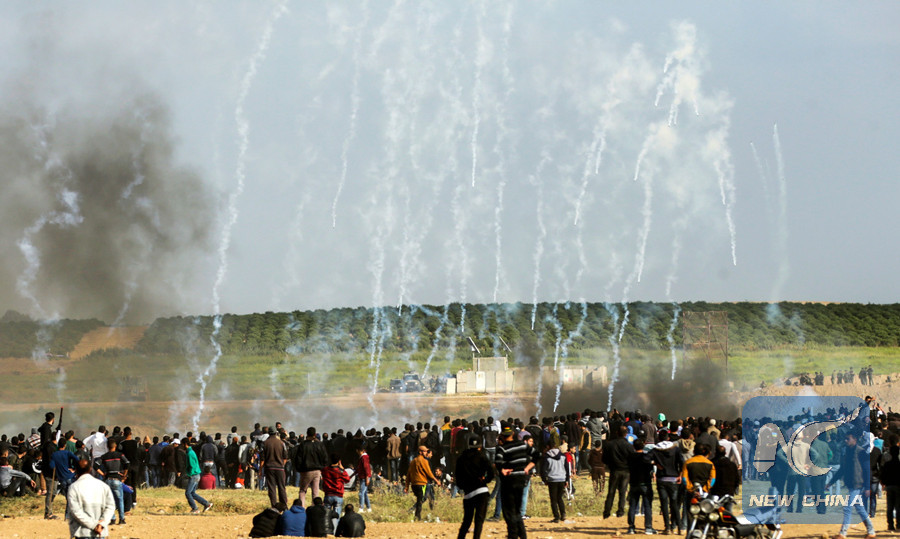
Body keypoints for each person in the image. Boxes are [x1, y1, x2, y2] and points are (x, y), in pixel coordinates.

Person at [827, 431, 876, 539]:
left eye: (848, 439)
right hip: (851, 484)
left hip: (858, 485)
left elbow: (867, 470)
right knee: (860, 509)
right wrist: (831, 483)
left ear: (855, 439)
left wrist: (867, 487)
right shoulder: (847, 452)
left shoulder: (861, 452)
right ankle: (871, 531)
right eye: (845, 439)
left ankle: (843, 533)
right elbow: (842, 470)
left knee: (847, 507)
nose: (846, 441)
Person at [495, 427, 536, 539]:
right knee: (517, 511)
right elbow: (537, 455)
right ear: (513, 434)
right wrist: (527, 468)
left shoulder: (502, 448)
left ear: (502, 436)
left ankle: (513, 535)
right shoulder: (522, 446)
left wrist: (502, 470)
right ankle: (522, 535)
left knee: (509, 512)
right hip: (521, 480)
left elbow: (498, 462)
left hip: (508, 482)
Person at [455, 436, 494, 539]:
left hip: (468, 493)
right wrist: (485, 480)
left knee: (467, 521)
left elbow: (457, 478)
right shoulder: (482, 456)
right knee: (479, 521)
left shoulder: (461, 458)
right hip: (481, 490)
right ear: (480, 446)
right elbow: (491, 472)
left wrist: (464, 487)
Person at [66, 458, 115, 538]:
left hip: (82, 532)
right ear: (90, 469)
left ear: (76, 470)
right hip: (100, 532)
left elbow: (75, 511)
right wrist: (101, 524)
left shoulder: (74, 487)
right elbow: (110, 507)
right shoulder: (103, 486)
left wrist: (93, 525)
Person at [651, 430, 684, 535]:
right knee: (674, 504)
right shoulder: (675, 449)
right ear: (668, 438)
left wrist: (655, 463)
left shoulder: (656, 449)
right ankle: (680, 528)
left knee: (664, 504)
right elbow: (682, 463)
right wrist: (680, 475)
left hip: (661, 479)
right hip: (673, 479)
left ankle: (668, 528)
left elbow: (645, 459)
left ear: (659, 438)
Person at [603, 426, 635, 519]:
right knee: (623, 492)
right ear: (626, 434)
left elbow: (604, 459)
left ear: (617, 433)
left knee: (611, 491)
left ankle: (607, 512)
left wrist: (610, 465)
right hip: (626, 471)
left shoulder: (610, 444)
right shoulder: (629, 446)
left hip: (614, 470)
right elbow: (632, 459)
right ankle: (620, 511)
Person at [626, 439, 656, 535]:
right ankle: (648, 527)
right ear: (643, 446)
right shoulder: (646, 457)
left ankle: (631, 527)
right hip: (645, 483)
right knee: (647, 506)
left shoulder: (630, 457)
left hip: (633, 483)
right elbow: (650, 469)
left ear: (633, 447)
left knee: (632, 506)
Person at [97, 439, 129, 525]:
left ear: (107, 447)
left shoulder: (104, 456)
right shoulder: (120, 455)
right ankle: (121, 519)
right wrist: (124, 475)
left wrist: (103, 474)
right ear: (115, 446)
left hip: (107, 480)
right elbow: (127, 463)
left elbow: (95, 465)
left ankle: (112, 519)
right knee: (120, 500)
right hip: (117, 480)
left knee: (109, 501)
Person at [296, 427, 329, 507]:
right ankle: (315, 509)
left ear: (307, 434)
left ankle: (301, 509)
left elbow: (299, 458)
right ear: (315, 434)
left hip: (306, 471)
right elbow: (325, 458)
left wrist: (299, 469)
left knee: (302, 491)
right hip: (317, 471)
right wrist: (322, 468)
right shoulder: (320, 444)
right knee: (315, 492)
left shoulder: (303, 444)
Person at [406, 444, 438, 521]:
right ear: (420, 452)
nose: (426, 453)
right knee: (421, 500)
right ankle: (417, 517)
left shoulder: (412, 461)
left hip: (414, 485)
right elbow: (429, 473)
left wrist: (406, 486)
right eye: (425, 451)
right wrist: (436, 480)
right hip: (422, 484)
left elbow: (408, 474)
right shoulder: (424, 461)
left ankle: (416, 516)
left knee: (419, 499)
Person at [542, 438, 569, 523]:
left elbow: (543, 469)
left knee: (553, 499)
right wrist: (567, 480)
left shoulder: (546, 457)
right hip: (562, 479)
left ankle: (556, 517)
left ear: (548, 446)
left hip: (552, 479)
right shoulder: (563, 456)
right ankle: (563, 515)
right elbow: (567, 468)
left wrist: (544, 479)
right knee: (560, 498)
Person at [183, 437, 213, 514]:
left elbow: (192, 465)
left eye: (182, 444)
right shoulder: (191, 452)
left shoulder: (190, 453)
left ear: (185, 444)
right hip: (196, 475)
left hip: (194, 475)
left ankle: (195, 508)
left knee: (188, 493)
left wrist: (190, 474)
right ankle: (206, 504)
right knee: (192, 493)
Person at [262, 427, 288, 508]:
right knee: (281, 487)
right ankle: (284, 506)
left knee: (271, 488)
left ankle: (274, 506)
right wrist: (282, 465)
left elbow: (262, 459)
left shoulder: (265, 443)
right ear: (276, 433)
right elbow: (285, 457)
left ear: (269, 433)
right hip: (280, 468)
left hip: (269, 468)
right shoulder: (282, 443)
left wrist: (260, 470)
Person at [322, 452, 351, 518]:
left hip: (328, 494)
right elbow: (347, 479)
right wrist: (342, 469)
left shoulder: (325, 470)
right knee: (336, 517)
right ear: (339, 461)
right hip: (338, 495)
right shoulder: (340, 471)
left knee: (326, 516)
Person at [356, 445, 372, 512]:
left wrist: (367, 478)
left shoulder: (364, 458)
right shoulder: (362, 458)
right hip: (363, 476)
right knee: (364, 493)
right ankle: (369, 508)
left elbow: (366, 468)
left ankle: (361, 508)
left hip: (364, 477)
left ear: (362, 451)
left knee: (361, 493)